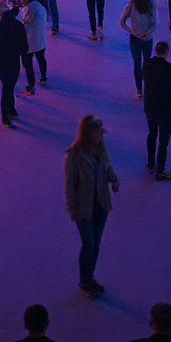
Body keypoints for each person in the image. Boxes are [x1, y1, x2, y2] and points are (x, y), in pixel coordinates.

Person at [64, 114, 120, 298]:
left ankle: (90, 277)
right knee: (88, 244)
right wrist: (72, 208)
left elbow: (106, 166)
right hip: (84, 207)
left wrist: (114, 179)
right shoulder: (74, 156)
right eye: (97, 132)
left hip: (101, 203)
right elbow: (69, 184)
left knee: (96, 244)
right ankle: (84, 281)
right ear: (87, 134)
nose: (100, 136)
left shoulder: (100, 149)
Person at [142, 40, 171, 180]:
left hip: (150, 107)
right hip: (165, 109)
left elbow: (144, 77)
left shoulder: (147, 64)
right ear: (166, 52)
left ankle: (150, 164)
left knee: (151, 134)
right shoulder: (170, 69)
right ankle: (160, 170)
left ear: (156, 50)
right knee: (163, 141)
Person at [0, 3, 27, 127]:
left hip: (1, 61)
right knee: (9, 87)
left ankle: (10, 109)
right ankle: (6, 114)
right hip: (14, 61)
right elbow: (24, 47)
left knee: (7, 86)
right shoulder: (19, 26)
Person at [119, 0, 157, 98]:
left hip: (140, 39)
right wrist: (140, 33)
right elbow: (154, 24)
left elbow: (122, 22)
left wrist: (134, 33)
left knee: (140, 64)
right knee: (143, 64)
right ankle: (142, 88)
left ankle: (141, 89)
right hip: (144, 39)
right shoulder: (131, 6)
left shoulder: (148, 5)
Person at [18, 0, 49, 93]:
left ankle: (31, 85)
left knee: (27, 64)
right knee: (41, 59)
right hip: (40, 39)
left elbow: (27, 20)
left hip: (29, 40)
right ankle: (43, 77)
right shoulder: (40, 5)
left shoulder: (30, 7)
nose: (21, 1)